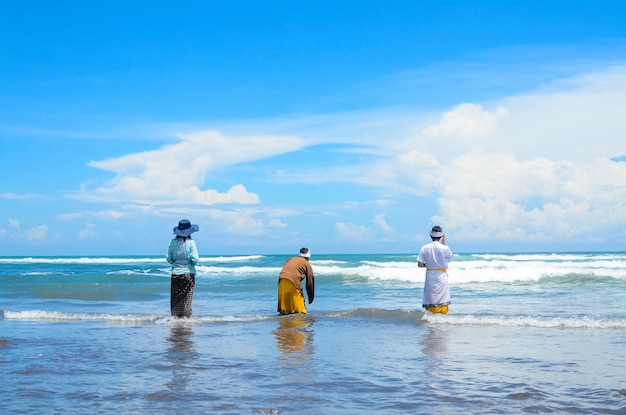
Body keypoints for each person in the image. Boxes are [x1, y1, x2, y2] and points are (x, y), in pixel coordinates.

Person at [166, 219, 200, 318]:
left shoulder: (172, 242)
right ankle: (186, 319)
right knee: (187, 298)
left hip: (175, 273)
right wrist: (190, 264)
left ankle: (175, 318)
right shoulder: (191, 242)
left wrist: (176, 264)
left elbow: (168, 258)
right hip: (188, 272)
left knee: (175, 298)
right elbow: (195, 258)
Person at [417, 226, 453, 314]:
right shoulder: (445, 248)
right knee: (442, 296)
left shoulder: (424, 248)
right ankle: (441, 318)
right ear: (441, 236)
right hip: (441, 275)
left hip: (430, 275)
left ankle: (431, 318)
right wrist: (444, 243)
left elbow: (420, 264)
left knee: (431, 296)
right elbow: (450, 257)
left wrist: (429, 264)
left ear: (430, 236)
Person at [277, 247, 315, 315]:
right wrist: (310, 298)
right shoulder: (306, 264)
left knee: (285, 310)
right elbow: (310, 282)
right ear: (308, 257)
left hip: (281, 281)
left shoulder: (290, 259)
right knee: (300, 311)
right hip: (293, 282)